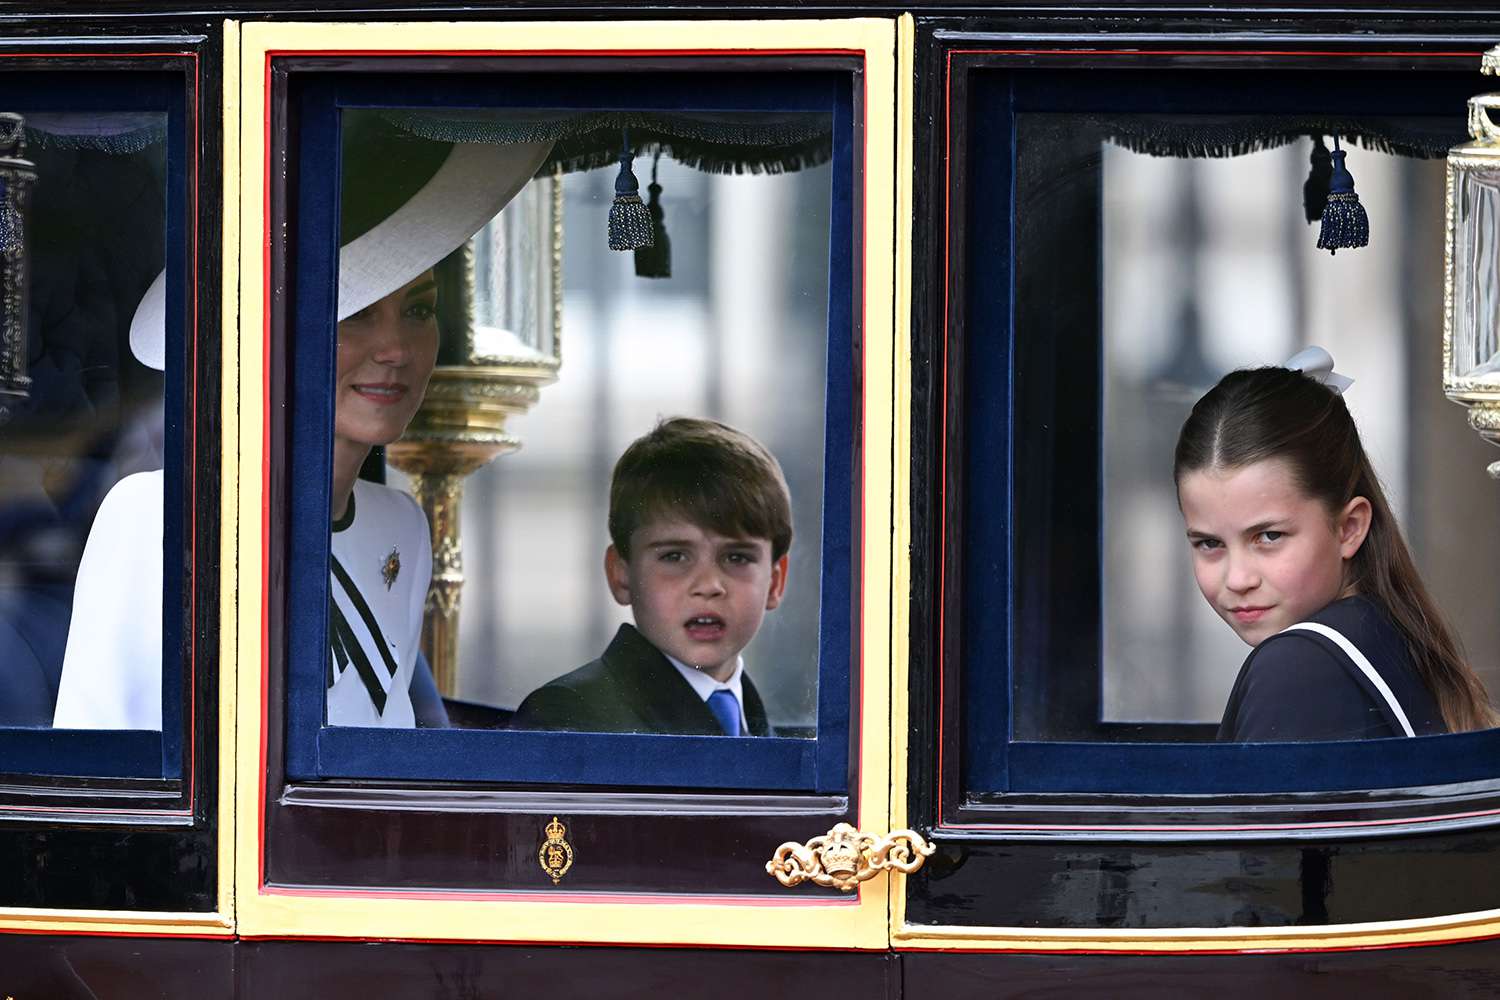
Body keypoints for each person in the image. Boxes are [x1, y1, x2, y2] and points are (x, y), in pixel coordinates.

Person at [52, 115, 551, 729]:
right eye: (356, 314)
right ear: (277, 332)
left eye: (419, 309)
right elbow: (108, 772)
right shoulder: (156, 515)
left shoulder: (404, 527)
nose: (396, 348)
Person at [1174, 347, 1497, 742]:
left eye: (1269, 536)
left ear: (1349, 528)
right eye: (1209, 543)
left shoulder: (1298, 667)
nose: (1238, 578)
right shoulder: (1388, 635)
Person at [511, 417, 792, 736]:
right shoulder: (568, 716)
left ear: (776, 581)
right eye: (674, 556)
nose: (709, 586)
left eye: (737, 557)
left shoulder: (761, 728)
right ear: (621, 575)